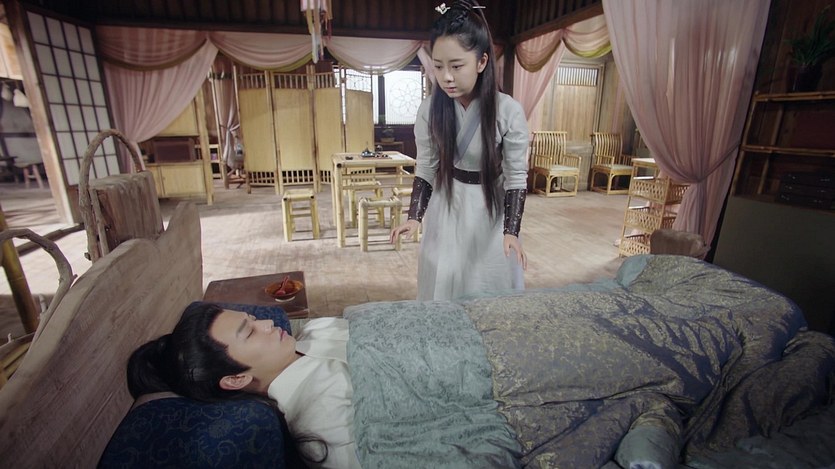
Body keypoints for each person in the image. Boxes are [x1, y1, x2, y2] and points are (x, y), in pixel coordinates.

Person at [389, 0, 530, 301]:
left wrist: (511, 231)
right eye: (438, 66)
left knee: (487, 286)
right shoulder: (430, 110)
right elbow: (426, 167)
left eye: (456, 66)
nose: (446, 77)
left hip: (489, 210)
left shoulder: (508, 111)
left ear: (481, 62)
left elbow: (516, 177)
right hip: (447, 203)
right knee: (443, 282)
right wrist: (414, 217)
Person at [127, 302, 360, 469]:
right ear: (236, 379)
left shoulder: (316, 328)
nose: (267, 323)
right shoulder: (323, 424)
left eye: (253, 319)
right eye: (249, 333)